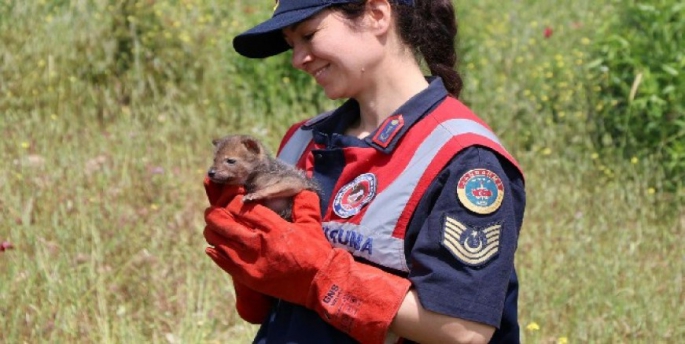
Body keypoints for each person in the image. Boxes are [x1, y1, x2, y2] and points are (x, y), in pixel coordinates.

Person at [202, 0, 526, 343]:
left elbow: (464, 332)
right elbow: (273, 297)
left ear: (377, 14)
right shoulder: (302, 140)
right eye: (291, 44)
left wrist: (321, 278)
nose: (298, 59)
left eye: (309, 35)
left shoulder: (463, 158)